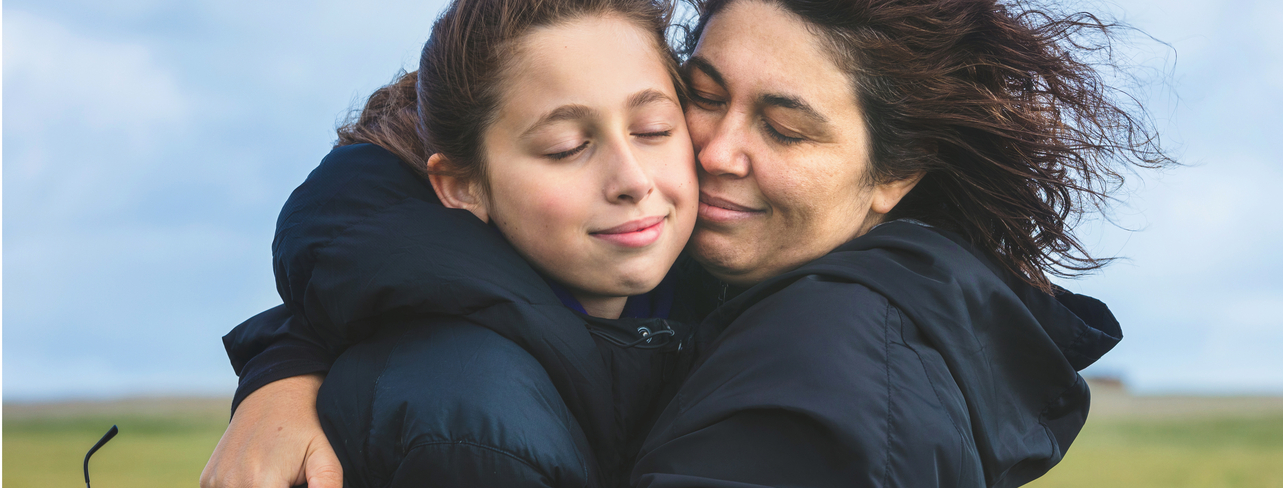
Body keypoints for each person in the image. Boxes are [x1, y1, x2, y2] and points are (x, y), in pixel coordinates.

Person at [205, 0, 1167, 485]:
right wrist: (286, 373)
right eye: (699, 98)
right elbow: (393, 177)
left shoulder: (836, 370)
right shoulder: (675, 265)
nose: (713, 151)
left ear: (893, 180)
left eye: (786, 129)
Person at [199, 0, 699, 486]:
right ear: (464, 185)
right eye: (566, 148)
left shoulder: (710, 286)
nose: (632, 179)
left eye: (653, 130)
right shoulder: (472, 430)